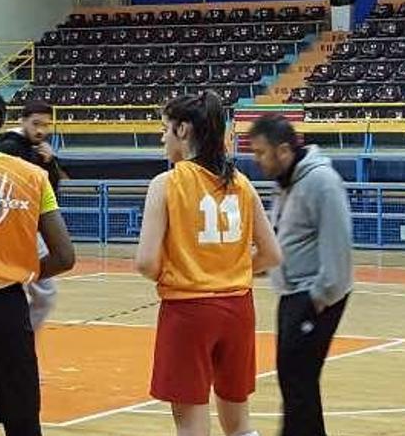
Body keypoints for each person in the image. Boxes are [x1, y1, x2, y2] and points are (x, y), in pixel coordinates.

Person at [134, 92, 281, 436]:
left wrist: (175, 273)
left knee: (191, 425)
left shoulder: (166, 184)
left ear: (183, 130)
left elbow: (145, 262)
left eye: (165, 129)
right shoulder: (242, 185)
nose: (162, 137)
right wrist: (234, 269)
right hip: (238, 309)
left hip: (188, 311)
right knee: (240, 424)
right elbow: (272, 255)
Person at [248, 114, 353, 436]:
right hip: (293, 294)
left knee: (298, 379)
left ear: (283, 151)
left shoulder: (322, 182)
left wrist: (316, 299)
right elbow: (285, 243)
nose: (257, 160)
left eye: (261, 153)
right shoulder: (285, 185)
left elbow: (339, 251)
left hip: (314, 296)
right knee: (295, 380)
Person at [0, 81, 76, 436]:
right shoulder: (33, 176)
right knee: (22, 421)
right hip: (8, 307)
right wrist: (22, 271)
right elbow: (65, 255)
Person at [0, 100, 67, 330]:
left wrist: (50, 161)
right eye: (36, 124)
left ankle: (18, 336)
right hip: (12, 226)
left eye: (45, 125)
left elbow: (50, 190)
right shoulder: (10, 147)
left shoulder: (38, 150)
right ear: (22, 121)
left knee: (45, 294)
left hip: (29, 227)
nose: (41, 130)